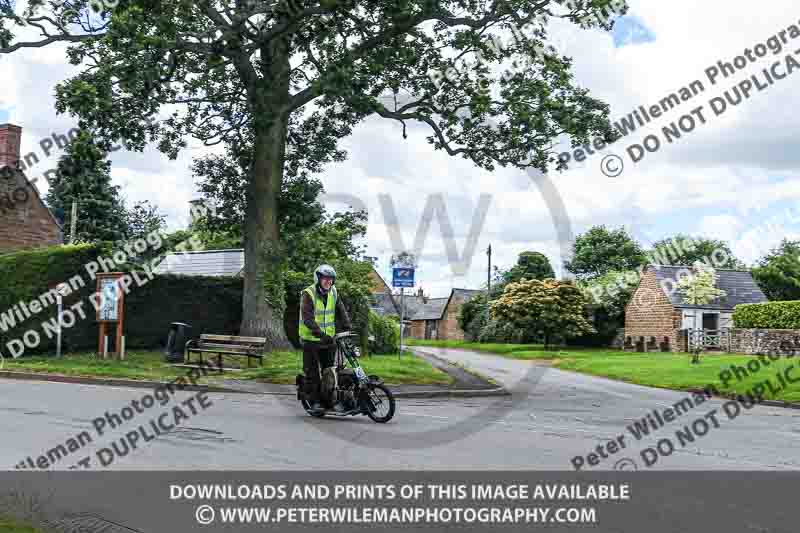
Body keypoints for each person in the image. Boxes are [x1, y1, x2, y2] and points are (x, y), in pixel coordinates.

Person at [298, 264, 352, 413]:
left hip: (328, 341)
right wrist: (321, 335)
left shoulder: (333, 292)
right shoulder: (308, 294)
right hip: (311, 341)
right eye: (325, 279)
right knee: (313, 373)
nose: (328, 282)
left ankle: (329, 400)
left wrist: (348, 327)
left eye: (331, 279)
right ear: (318, 279)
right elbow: (308, 319)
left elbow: (340, 310)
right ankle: (314, 402)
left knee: (330, 372)